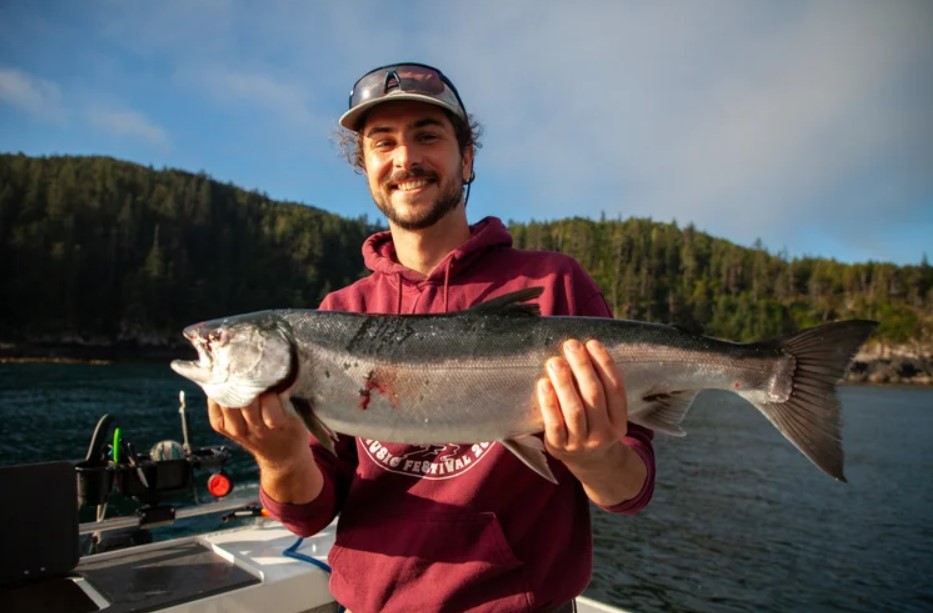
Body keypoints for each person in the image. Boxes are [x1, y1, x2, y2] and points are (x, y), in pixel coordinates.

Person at [208, 62, 655, 613]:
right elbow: (310, 512)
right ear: (365, 165)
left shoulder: (554, 285)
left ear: (466, 157)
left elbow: (628, 489)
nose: (405, 159)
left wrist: (593, 457)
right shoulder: (337, 313)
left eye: (427, 135)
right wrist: (278, 458)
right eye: (382, 143)